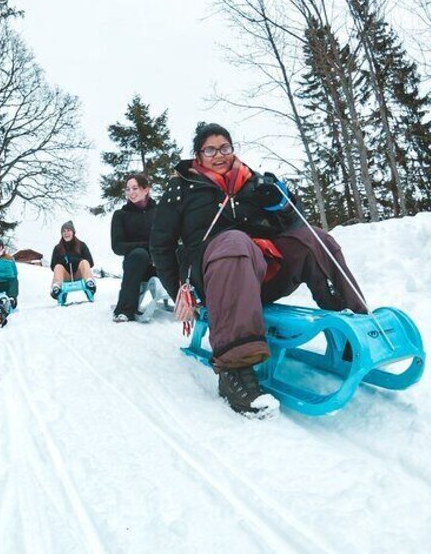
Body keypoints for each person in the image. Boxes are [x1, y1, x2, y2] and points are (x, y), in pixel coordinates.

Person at [150, 123, 368, 417]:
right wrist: (178, 293)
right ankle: (235, 372)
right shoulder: (183, 188)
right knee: (235, 242)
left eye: (225, 147)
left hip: (262, 271)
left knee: (315, 238)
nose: (219, 155)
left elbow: (293, 226)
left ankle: (354, 326)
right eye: (210, 150)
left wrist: (282, 205)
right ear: (198, 155)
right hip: (212, 273)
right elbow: (161, 246)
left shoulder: (253, 182)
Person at [110, 173, 157, 322]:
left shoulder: (160, 211)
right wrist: (146, 245)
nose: (131, 192)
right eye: (128, 189)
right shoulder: (121, 215)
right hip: (136, 265)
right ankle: (125, 310)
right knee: (139, 254)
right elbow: (117, 247)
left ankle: (194, 305)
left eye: (135, 188)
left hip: (161, 264)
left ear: (146, 189)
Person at [49, 221, 96, 299]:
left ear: (73, 232)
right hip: (65, 276)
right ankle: (57, 288)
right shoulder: (57, 248)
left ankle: (89, 283)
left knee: (84, 262)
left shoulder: (81, 245)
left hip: (79, 275)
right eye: (63, 231)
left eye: (68, 230)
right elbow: (52, 266)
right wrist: (63, 261)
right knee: (58, 267)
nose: (66, 233)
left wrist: (76, 260)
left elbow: (90, 262)